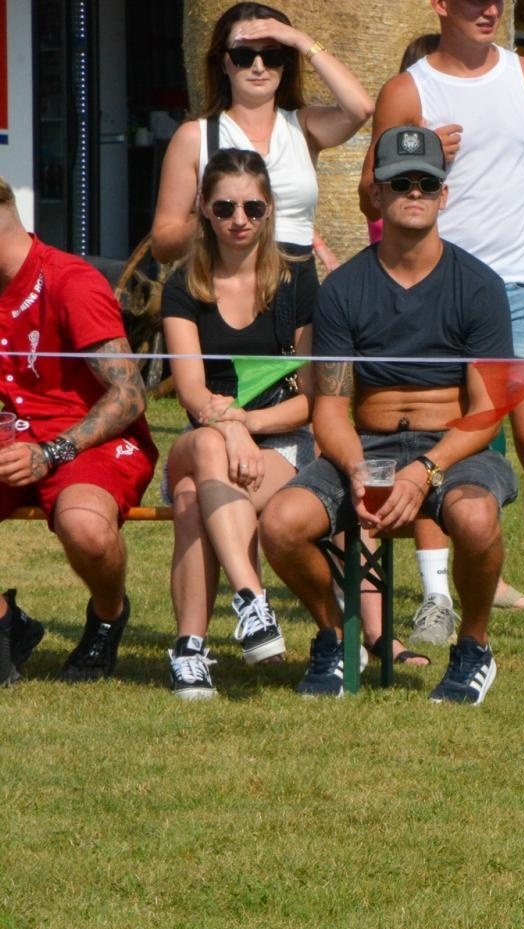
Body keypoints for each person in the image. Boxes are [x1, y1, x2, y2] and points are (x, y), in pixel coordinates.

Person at [362, 0, 524, 647]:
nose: (489, 9)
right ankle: (436, 595)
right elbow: (368, 194)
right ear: (440, 5)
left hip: (521, 289)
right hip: (442, 289)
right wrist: (424, 155)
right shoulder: (407, 91)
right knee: (440, 439)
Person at [261, 126, 518, 704]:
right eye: (399, 181)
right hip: (367, 447)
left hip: (454, 449)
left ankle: (473, 649)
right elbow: (329, 408)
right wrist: (357, 468)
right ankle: (334, 636)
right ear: (375, 194)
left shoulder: (479, 287)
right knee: (280, 523)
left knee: (476, 519)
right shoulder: (343, 289)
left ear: (443, 195)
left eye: (427, 182)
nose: (414, 191)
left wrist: (424, 468)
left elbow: (486, 414)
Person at [160, 148, 321, 698]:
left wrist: (244, 423)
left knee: (190, 501)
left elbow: (311, 398)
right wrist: (230, 429)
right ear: (204, 210)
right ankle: (252, 599)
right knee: (206, 445)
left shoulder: (297, 281)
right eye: (225, 207)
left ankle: (189, 651)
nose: (239, 220)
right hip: (205, 436)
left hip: (282, 441)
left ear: (270, 209)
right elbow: (190, 392)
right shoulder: (184, 285)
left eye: (253, 208)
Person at [0, 176, 157, 684]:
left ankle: (108, 616)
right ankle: (9, 623)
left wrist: (51, 452)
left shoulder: (70, 280)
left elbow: (130, 395)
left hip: (91, 438)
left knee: (85, 528)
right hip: (12, 436)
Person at [150, 1, 372, 265]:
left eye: (272, 55)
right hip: (226, 278)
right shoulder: (195, 136)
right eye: (243, 56)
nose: (258, 67)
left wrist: (301, 40)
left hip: (295, 279)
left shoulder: (303, 125)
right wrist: (217, 215)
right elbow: (162, 244)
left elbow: (361, 108)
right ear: (223, 62)